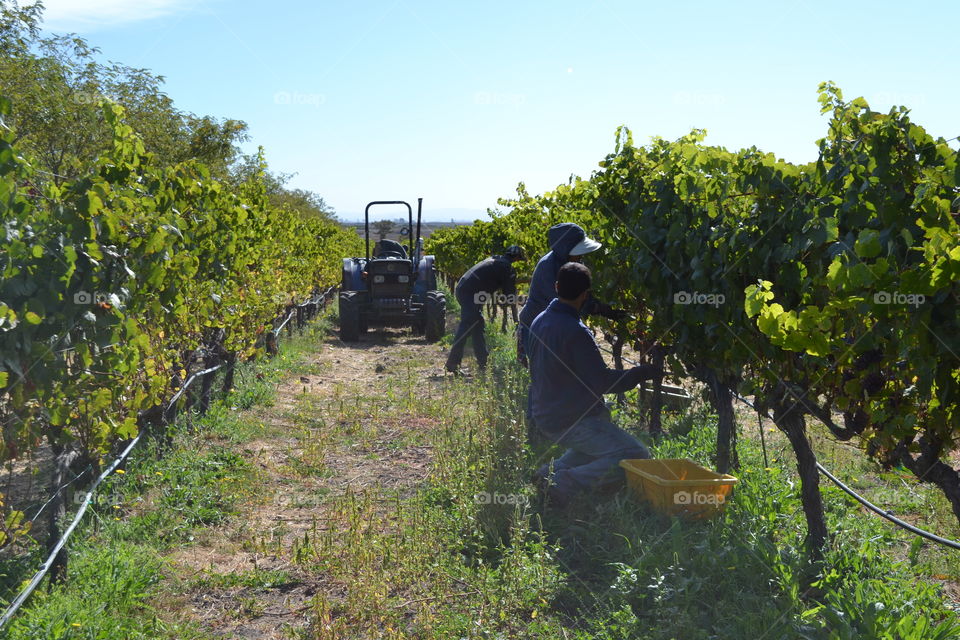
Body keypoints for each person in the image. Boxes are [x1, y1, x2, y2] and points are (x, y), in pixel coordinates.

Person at [528, 262, 657, 507]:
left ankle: (547, 474)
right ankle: (564, 484)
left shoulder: (539, 320)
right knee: (635, 454)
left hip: (545, 414)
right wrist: (643, 373)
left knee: (594, 447)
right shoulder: (575, 331)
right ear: (586, 294)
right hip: (572, 419)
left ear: (556, 287)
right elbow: (603, 382)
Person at [445, 245, 525, 374]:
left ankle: (483, 364)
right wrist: (522, 302)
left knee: (478, 325)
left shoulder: (496, 260)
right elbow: (509, 295)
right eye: (518, 259)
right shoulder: (506, 267)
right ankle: (453, 363)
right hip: (470, 294)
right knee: (466, 327)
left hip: (464, 289)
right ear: (516, 257)